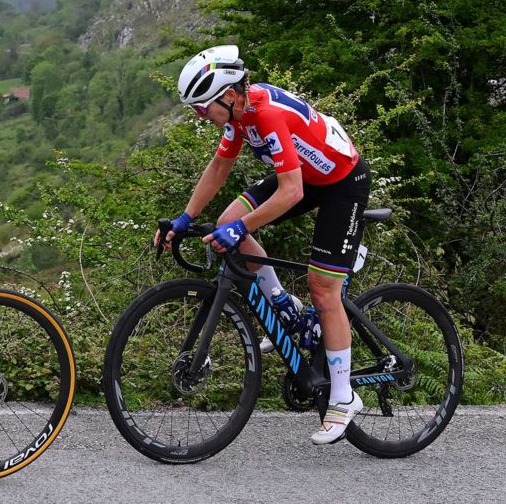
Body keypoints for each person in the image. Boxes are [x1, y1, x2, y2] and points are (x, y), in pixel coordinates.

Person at [157, 45, 370, 445]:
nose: (201, 117)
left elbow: (290, 193)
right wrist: (184, 219)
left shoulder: (265, 115)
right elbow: (220, 166)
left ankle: (344, 398)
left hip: (342, 183)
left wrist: (241, 230)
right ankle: (287, 310)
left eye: (203, 108)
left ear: (227, 95)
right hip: (304, 176)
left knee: (324, 289)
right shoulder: (239, 114)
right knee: (226, 221)